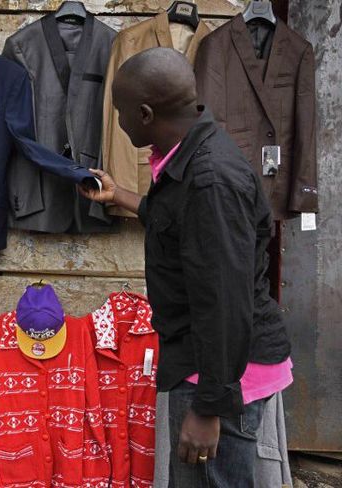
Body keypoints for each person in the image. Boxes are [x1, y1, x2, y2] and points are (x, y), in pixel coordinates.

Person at [79, 47, 293, 487]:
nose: (117, 123)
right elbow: (184, 226)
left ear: (143, 113)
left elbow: (225, 301)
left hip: (222, 373)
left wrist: (209, 407)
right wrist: (120, 196)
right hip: (211, 363)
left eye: (120, 114)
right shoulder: (190, 155)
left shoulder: (210, 180)